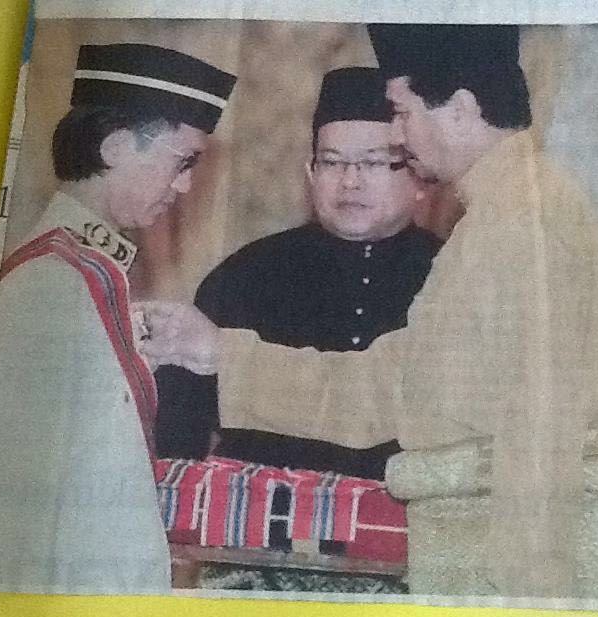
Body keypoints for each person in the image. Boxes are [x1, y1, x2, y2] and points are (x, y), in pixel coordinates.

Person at [139, 25, 598, 599]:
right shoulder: (503, 214)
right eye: (334, 162)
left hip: (526, 578)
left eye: (403, 113)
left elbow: (541, 435)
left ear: (460, 109)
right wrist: (218, 353)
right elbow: (401, 387)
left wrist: (524, 604)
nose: (401, 136)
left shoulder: (523, 221)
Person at [0, 43, 236, 595]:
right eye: (184, 161)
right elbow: (14, 512)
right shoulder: (52, 283)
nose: (184, 186)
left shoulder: (91, 274)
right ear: (116, 147)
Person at [155, 67, 440, 486]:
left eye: (374, 162)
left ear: (420, 179)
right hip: (261, 520)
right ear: (310, 174)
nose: (350, 181)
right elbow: (177, 435)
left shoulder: (449, 274)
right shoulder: (246, 275)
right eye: (332, 162)